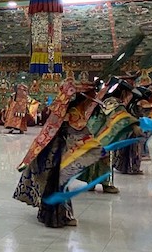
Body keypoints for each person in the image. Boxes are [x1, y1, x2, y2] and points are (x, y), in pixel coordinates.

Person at [13, 79, 103, 228]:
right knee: (58, 184)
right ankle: (58, 217)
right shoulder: (74, 113)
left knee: (54, 183)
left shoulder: (63, 111)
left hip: (51, 152)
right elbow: (82, 135)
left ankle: (48, 214)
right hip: (58, 153)